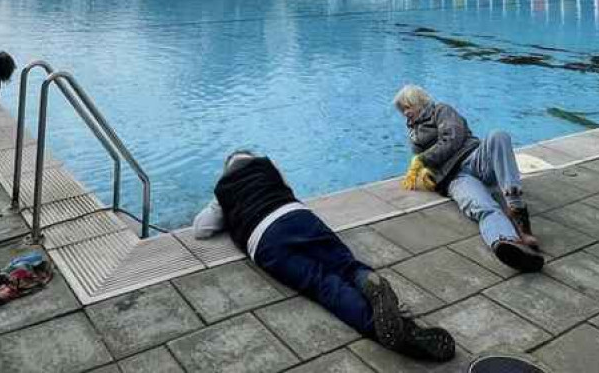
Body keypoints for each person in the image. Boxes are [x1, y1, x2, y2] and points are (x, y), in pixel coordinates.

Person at [193, 151, 455, 362]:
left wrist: (225, 208)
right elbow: (288, 189)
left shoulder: (224, 188)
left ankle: (396, 332)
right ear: (251, 158)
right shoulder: (267, 165)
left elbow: (202, 229)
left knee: (323, 284)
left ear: (227, 168)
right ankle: (376, 289)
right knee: (347, 266)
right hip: (298, 216)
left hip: (266, 239)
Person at [394, 85, 544, 273]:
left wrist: (423, 159)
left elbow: (453, 138)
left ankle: (518, 211)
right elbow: (424, 161)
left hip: (475, 158)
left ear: (420, 102)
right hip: (455, 178)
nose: (405, 113)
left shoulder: (441, 110)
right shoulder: (413, 133)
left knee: (499, 136)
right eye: (402, 110)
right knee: (483, 208)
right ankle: (506, 242)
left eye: (408, 106)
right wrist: (425, 172)